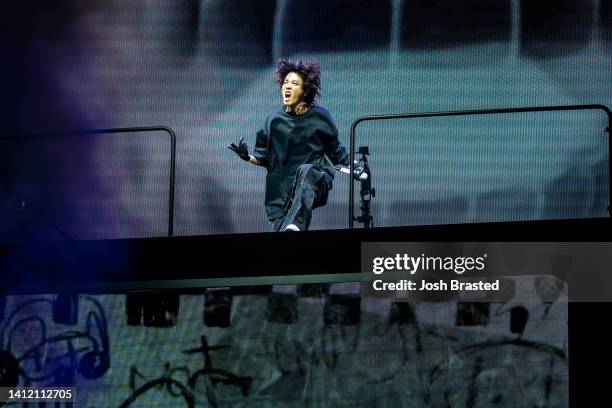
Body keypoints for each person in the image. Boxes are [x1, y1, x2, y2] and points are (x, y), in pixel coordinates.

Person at [229, 59, 350, 231]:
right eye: (285, 83)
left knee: (307, 171)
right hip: (280, 193)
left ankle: (296, 225)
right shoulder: (273, 120)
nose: (287, 87)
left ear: (305, 90)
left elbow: (337, 151)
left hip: (315, 180)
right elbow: (262, 157)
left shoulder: (320, 117)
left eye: (294, 83)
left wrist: (355, 166)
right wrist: (246, 157)